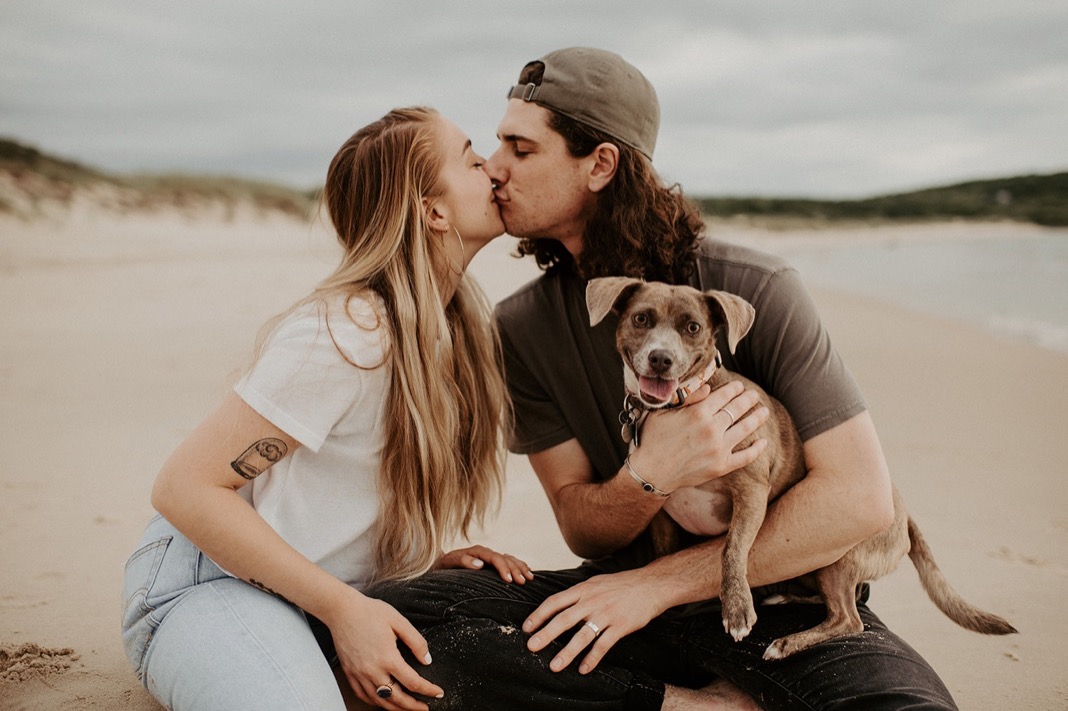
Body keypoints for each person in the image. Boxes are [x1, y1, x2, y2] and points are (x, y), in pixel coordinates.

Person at [368, 48, 960, 709]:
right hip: (623, 597)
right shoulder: (524, 325)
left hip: (774, 595)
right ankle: (689, 702)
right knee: (396, 622)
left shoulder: (752, 286)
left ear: (599, 164)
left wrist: (660, 585)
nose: (495, 167)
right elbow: (584, 528)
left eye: (521, 148)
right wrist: (647, 476)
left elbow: (861, 501)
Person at [120, 106, 534, 711]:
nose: (492, 168)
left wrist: (418, 564)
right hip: (206, 583)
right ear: (433, 210)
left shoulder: (451, 328)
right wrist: (345, 608)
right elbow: (183, 489)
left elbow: (337, 490)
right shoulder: (350, 331)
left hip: (306, 595)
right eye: (472, 158)